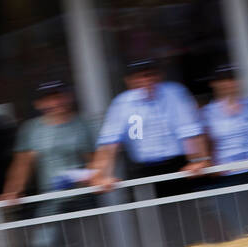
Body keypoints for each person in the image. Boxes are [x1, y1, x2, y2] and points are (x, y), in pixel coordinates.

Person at [0, 81, 94, 247]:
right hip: (51, 198)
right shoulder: (32, 129)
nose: (56, 102)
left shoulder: (82, 124)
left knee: (86, 245)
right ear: (39, 104)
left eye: (59, 96)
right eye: (50, 98)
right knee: (44, 243)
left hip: (81, 196)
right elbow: (23, 163)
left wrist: (86, 177)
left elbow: (94, 162)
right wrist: (13, 191)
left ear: (68, 98)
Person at [89, 59, 210, 196]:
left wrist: (198, 160)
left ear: (159, 76)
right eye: (140, 76)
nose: (146, 80)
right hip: (144, 169)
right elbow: (109, 143)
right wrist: (101, 175)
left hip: (179, 166)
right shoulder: (122, 103)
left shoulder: (174, 93)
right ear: (129, 81)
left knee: (188, 211)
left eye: (150, 75)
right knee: (150, 215)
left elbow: (189, 130)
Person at [200, 64, 248, 236]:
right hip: (226, 174)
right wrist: (209, 163)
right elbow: (206, 141)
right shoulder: (206, 113)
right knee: (239, 224)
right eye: (223, 80)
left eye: (232, 79)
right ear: (214, 84)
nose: (229, 84)